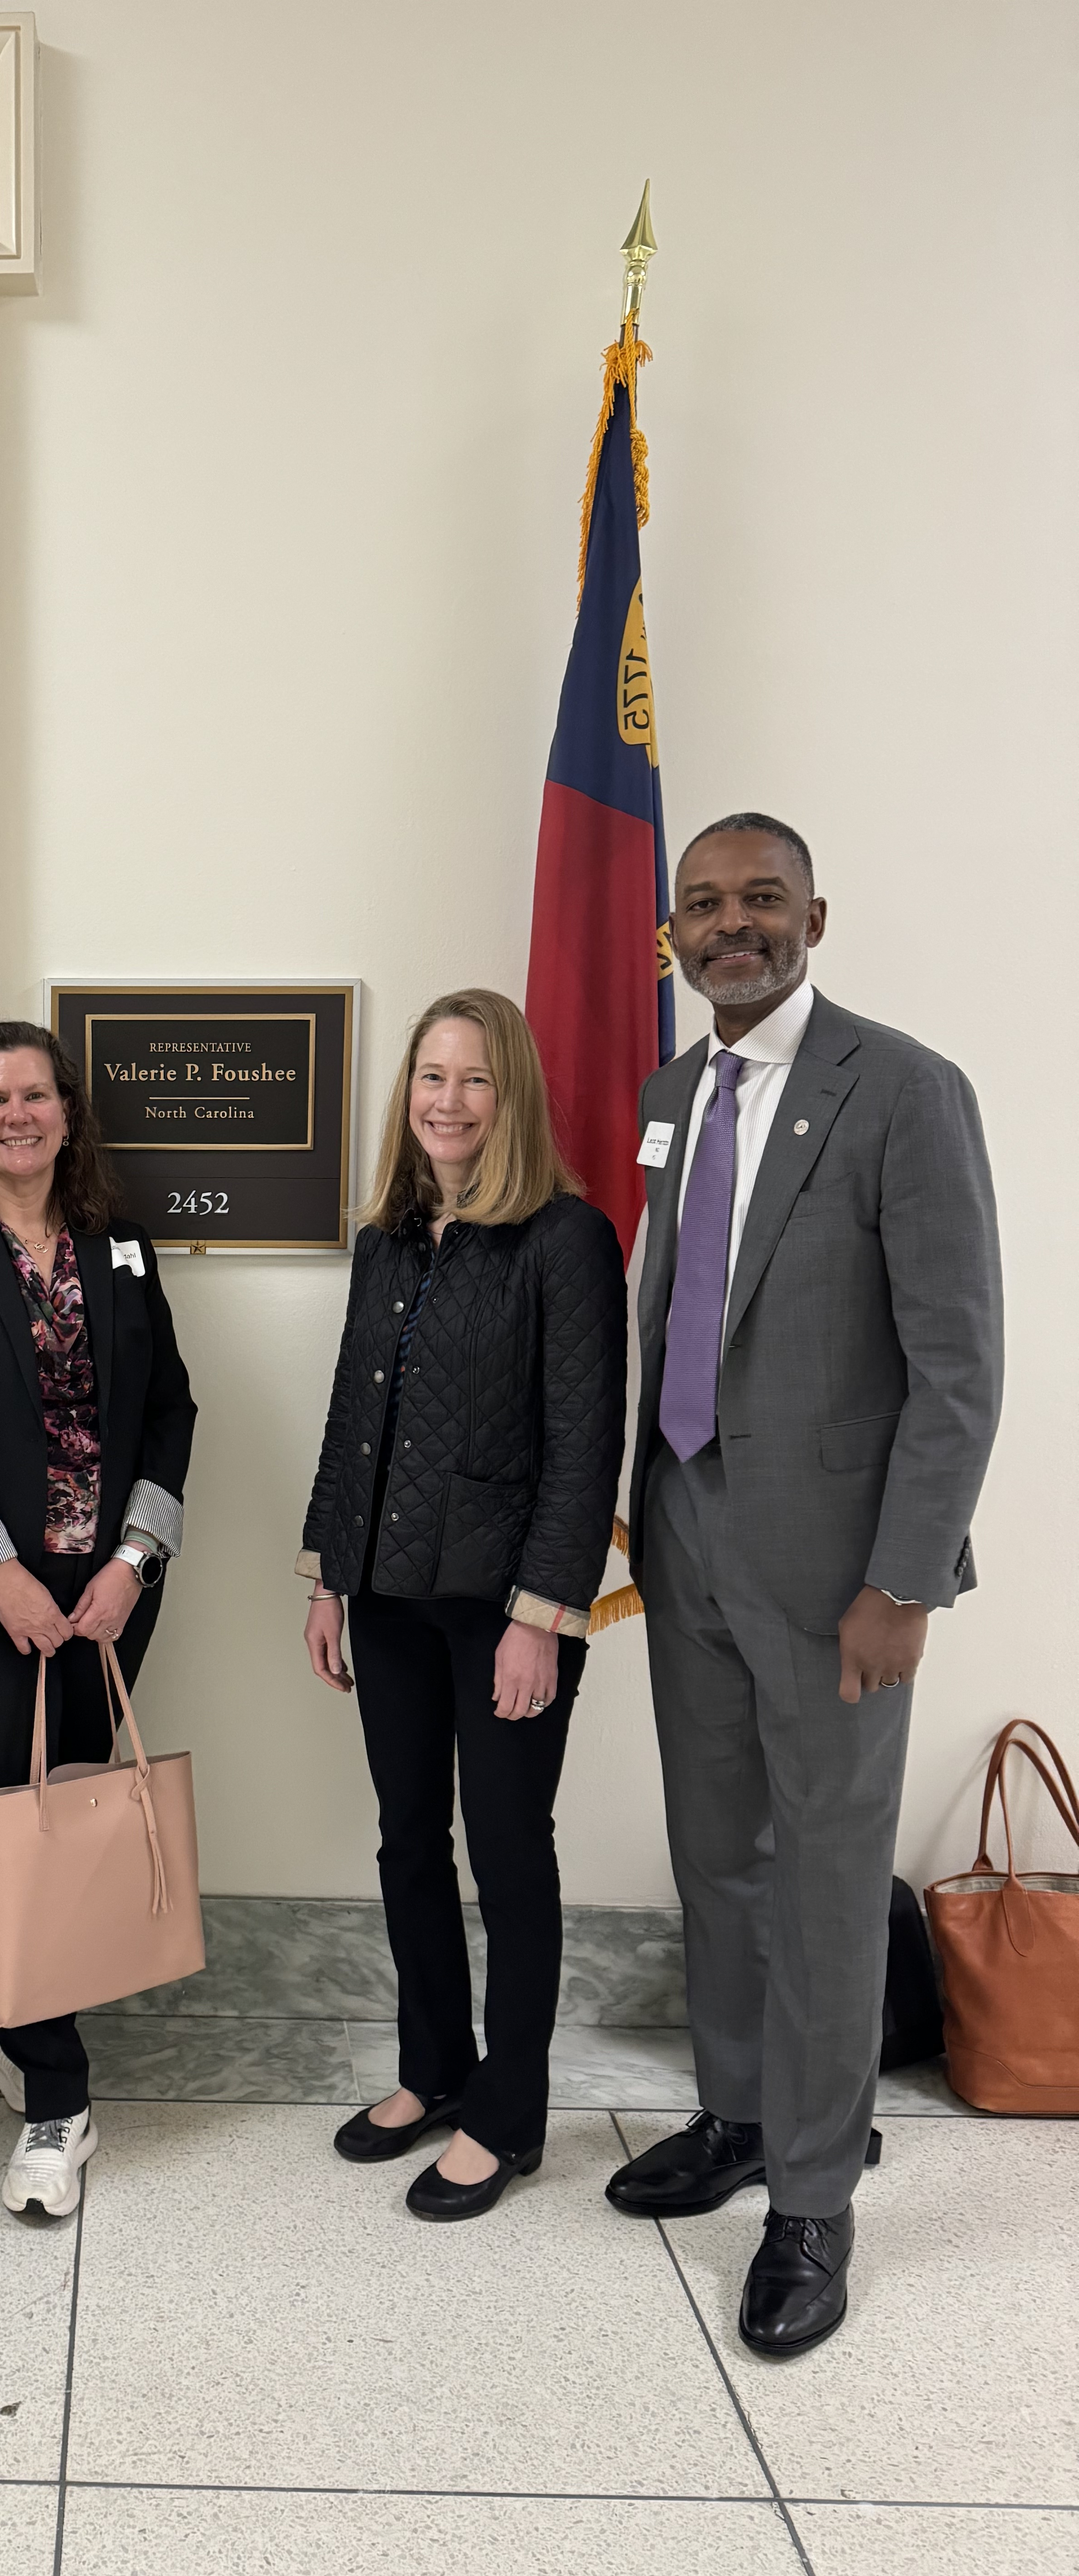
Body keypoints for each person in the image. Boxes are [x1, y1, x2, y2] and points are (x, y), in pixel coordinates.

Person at [605, 812, 1001, 2355]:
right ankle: (739, 2114)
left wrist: (904, 1576)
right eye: (702, 904)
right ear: (675, 935)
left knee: (830, 1876)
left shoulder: (900, 1091)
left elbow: (956, 1365)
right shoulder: (669, 1091)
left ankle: (815, 2200)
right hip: (685, 1528)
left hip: (839, 1571)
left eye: (759, 898)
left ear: (814, 915)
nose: (730, 924)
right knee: (717, 1851)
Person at [300, 989, 626, 2222]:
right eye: (430, 1077)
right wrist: (329, 1577)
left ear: (512, 1098)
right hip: (383, 1595)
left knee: (506, 1853)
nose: (447, 1100)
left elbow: (582, 1446)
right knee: (403, 1842)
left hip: (502, 1610)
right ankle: (431, 2071)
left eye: (473, 1080)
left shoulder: (563, 1238)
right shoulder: (386, 1238)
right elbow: (351, 1422)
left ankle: (507, 2112)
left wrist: (544, 1616)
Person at [0, 1021, 195, 2220]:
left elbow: (171, 1405)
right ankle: (59, 2105)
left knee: (64, 1806)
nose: (16, 1114)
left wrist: (133, 1557)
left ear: (68, 1112)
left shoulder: (119, 1244)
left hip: (108, 1591)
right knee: (20, 1827)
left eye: (36, 1094)